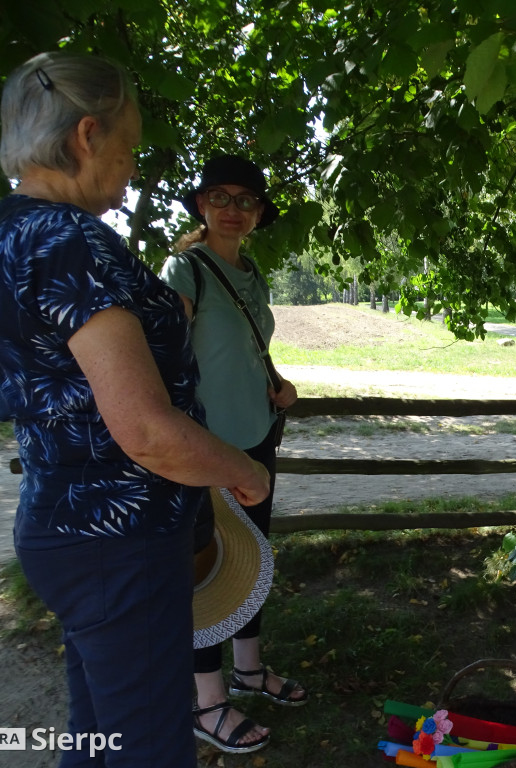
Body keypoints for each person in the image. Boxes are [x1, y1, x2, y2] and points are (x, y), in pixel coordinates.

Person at [0, 52, 271, 767]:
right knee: (147, 746)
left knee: (100, 735)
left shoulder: (7, 234)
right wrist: (242, 470)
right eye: (129, 147)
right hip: (117, 541)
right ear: (87, 136)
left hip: (70, 529)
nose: (132, 168)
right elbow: (143, 430)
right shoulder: (69, 241)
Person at [159, 154, 306, 753]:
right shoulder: (182, 271)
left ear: (259, 213)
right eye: (219, 196)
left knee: (252, 565)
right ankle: (208, 703)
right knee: (207, 577)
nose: (232, 209)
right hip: (204, 451)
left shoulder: (255, 276)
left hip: (257, 440)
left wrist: (279, 385)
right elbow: (165, 365)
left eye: (246, 200)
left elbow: (243, 354)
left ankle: (250, 671)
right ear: (200, 205)